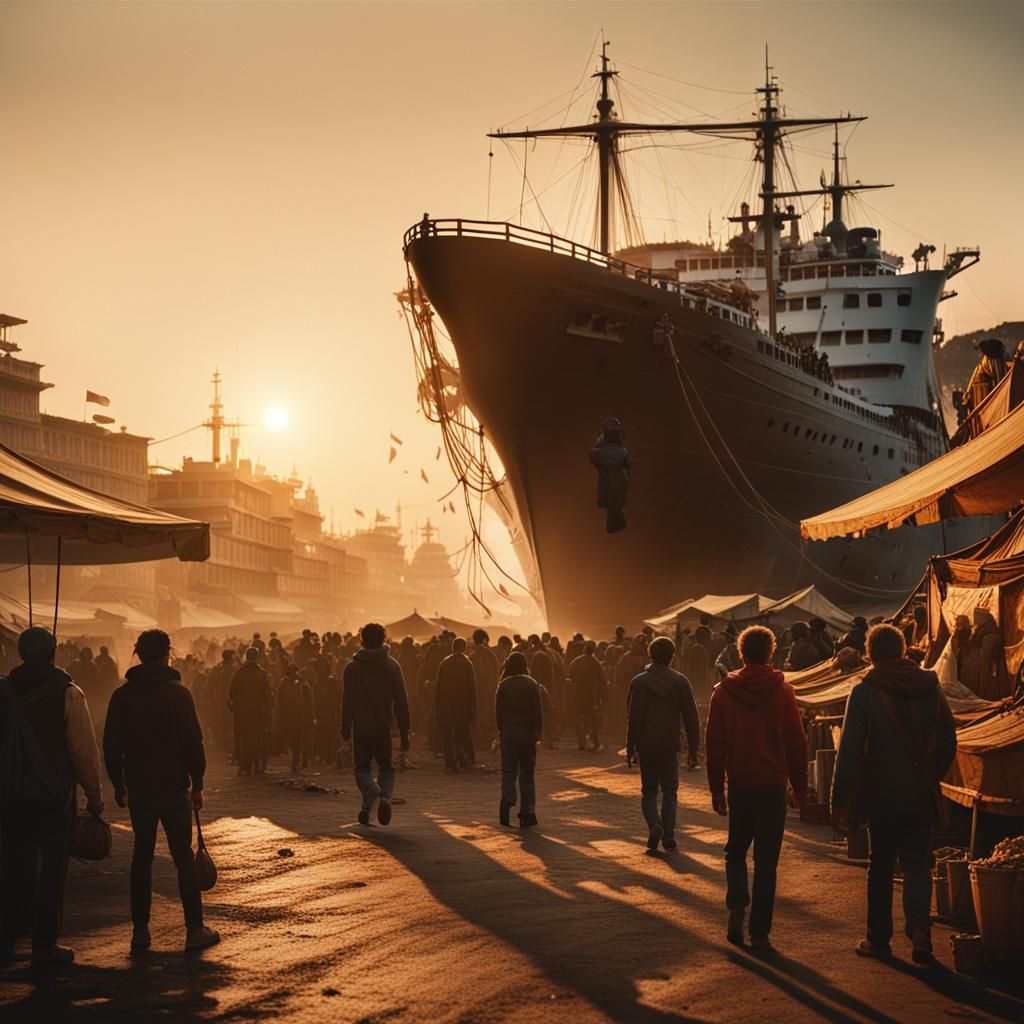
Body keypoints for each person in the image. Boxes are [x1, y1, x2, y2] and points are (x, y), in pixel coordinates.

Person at [831, 624, 957, 964]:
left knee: (881, 867)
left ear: (871, 653)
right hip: (920, 794)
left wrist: (838, 800)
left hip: (880, 796)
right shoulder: (931, 687)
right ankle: (920, 930)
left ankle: (878, 940)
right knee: (917, 864)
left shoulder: (864, 692)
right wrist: (931, 775)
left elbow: (849, 752)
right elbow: (949, 739)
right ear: (901, 650)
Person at [103, 629, 219, 954]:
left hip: (139, 789)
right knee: (183, 858)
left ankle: (140, 933)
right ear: (167, 654)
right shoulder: (178, 694)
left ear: (139, 655)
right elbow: (193, 744)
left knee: (141, 859)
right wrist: (198, 784)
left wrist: (118, 784)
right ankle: (194, 929)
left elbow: (110, 746)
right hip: (173, 789)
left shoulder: (122, 696)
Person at [0, 627, 104, 966]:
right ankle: (44, 945)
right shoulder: (68, 692)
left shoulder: (2, 690)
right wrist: (94, 795)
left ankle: (7, 939)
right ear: (52, 653)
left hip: (10, 794)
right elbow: (83, 750)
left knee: (12, 866)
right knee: (53, 869)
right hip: (53, 795)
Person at [706, 625, 808, 950]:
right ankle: (760, 932)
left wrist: (716, 788)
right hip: (773, 786)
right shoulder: (783, 692)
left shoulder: (723, 692)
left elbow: (714, 744)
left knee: (736, 851)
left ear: (740, 653)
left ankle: (737, 904)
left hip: (740, 786)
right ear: (771, 652)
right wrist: (800, 787)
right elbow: (796, 743)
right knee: (766, 862)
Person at [625, 636, 700, 852]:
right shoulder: (680, 681)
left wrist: (630, 747)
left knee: (649, 791)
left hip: (646, 745)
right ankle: (668, 835)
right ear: (672, 656)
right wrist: (693, 749)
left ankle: (654, 823)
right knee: (669, 790)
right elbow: (691, 718)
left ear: (651, 655)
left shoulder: (639, 682)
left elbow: (633, 718)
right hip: (669, 744)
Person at [341, 623, 410, 827]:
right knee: (386, 769)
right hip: (383, 727)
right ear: (383, 639)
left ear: (362, 640)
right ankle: (384, 796)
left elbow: (347, 702)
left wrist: (344, 728)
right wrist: (404, 732)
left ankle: (369, 800)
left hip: (360, 727)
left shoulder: (351, 668)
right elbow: (401, 702)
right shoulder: (392, 666)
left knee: (362, 769)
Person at [495, 652, 543, 828]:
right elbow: (538, 712)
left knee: (508, 771)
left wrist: (501, 731)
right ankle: (527, 812)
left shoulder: (503, 685)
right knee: (527, 774)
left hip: (508, 732)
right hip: (526, 733)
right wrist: (538, 733)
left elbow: (498, 713)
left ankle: (508, 798)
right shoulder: (531, 684)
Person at [434, 638, 477, 772]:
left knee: (447, 736)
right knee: (461, 735)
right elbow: (472, 688)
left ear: (452, 648)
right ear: (464, 648)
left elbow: (437, 687)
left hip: (446, 705)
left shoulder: (444, 663)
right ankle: (463, 760)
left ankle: (450, 763)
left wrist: (437, 705)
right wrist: (472, 708)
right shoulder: (467, 664)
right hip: (462, 706)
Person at [228, 648, 273, 776]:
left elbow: (231, 695)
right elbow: (268, 696)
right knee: (258, 739)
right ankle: (258, 765)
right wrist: (269, 712)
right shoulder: (263, 674)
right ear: (257, 657)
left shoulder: (239, 673)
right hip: (258, 713)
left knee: (244, 739)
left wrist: (235, 709)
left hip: (242, 714)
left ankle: (244, 766)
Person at [589, 417, 631, 533]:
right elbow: (628, 465)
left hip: (608, 491)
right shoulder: (623, 452)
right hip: (617, 489)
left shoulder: (598, 452)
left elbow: (593, 456)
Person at [570, 641, 606, 752]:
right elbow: (602, 681)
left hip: (578, 695)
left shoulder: (576, 661)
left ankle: (581, 743)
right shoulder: (596, 663)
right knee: (593, 720)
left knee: (579, 719)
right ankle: (595, 742)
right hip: (591, 696)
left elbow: (571, 677)